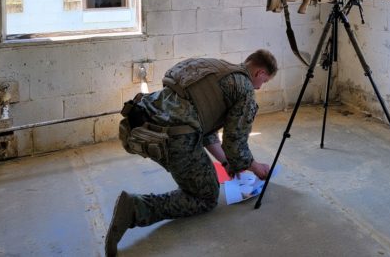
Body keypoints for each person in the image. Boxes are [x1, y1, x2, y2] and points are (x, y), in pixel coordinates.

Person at [105, 49, 278, 256]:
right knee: (206, 196)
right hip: (173, 138)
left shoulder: (214, 69)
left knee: (200, 170)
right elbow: (236, 146)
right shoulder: (245, 90)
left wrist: (225, 163)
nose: (260, 87)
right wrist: (256, 167)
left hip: (143, 122)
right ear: (259, 73)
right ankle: (135, 209)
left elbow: (205, 128)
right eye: (264, 81)